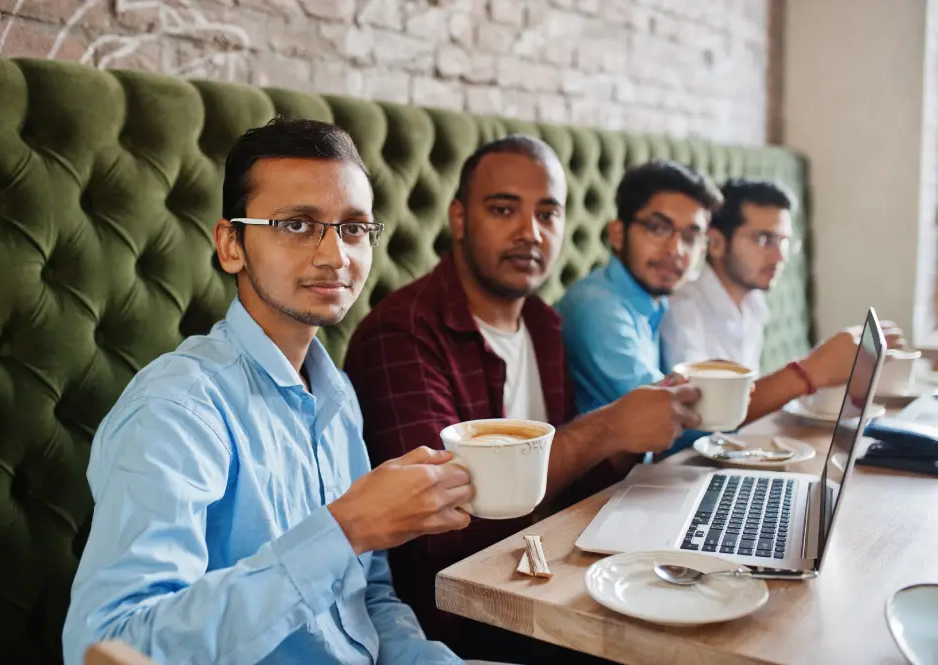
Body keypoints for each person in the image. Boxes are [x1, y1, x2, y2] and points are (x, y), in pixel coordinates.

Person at [62, 118, 477, 665]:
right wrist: (345, 528)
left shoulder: (339, 395)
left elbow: (370, 598)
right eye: (298, 225)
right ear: (231, 245)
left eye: (353, 228)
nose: (335, 256)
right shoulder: (177, 407)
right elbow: (110, 643)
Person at [344, 136, 702, 662]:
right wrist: (607, 428)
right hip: (462, 615)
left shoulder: (543, 323)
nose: (530, 233)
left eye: (548, 214)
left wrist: (632, 437)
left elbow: (575, 487)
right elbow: (439, 524)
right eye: (504, 209)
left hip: (552, 579)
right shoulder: (402, 333)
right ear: (460, 218)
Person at [557, 160, 904, 423]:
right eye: (658, 228)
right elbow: (671, 421)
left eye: (691, 236)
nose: (676, 250)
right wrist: (808, 372)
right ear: (617, 234)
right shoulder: (602, 309)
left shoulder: (649, 303)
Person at [661, 178, 798, 371]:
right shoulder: (685, 310)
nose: (780, 256)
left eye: (783, 241)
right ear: (715, 243)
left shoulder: (754, 304)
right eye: (763, 239)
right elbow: (700, 397)